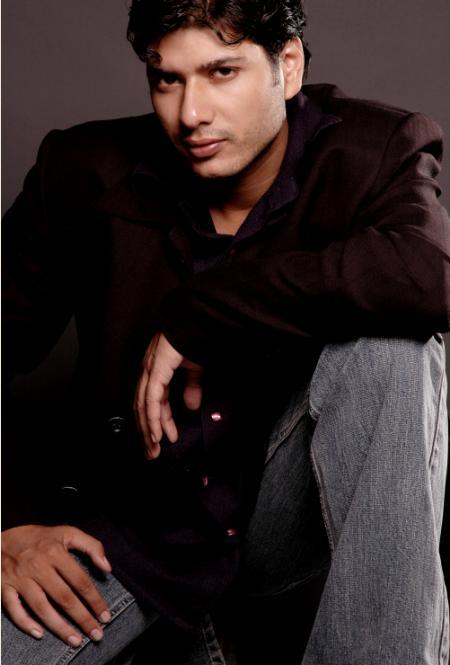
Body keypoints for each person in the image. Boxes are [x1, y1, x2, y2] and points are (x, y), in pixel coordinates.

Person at [2, 0, 449, 663]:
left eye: (222, 72)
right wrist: (5, 526)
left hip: (283, 518)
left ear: (288, 66)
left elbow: (428, 280)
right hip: (131, 535)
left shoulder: (370, 150)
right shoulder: (82, 171)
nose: (190, 114)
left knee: (390, 343)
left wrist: (208, 309)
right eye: (167, 78)